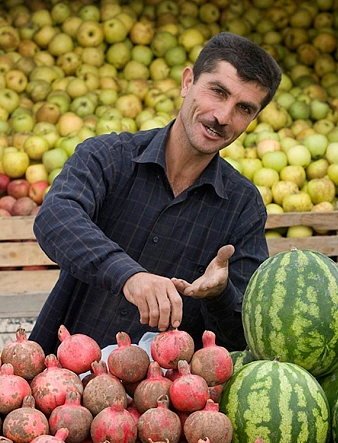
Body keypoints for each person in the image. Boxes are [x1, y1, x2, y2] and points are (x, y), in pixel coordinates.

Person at [29, 32, 282, 355]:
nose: (223, 116)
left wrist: (220, 295)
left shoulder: (243, 207)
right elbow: (55, 218)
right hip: (59, 379)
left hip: (164, 398)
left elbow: (243, 337)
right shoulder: (108, 156)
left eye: (244, 108)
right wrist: (129, 276)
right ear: (187, 82)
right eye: (217, 92)